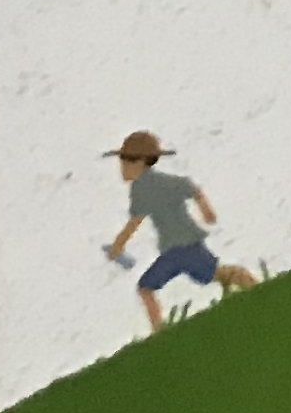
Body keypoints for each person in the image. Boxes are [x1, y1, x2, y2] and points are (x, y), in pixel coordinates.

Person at [101, 131, 255, 329]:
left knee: (149, 287)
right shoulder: (160, 182)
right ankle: (159, 332)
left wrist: (117, 246)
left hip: (182, 248)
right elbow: (191, 188)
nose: (122, 169)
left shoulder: (141, 189)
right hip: (177, 248)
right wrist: (206, 210)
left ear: (139, 162)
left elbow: (135, 222)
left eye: (124, 163)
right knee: (151, 286)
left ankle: (252, 284)